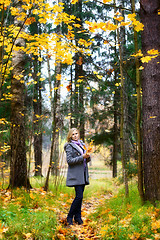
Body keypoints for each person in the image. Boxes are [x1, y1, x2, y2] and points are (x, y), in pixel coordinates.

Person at [64, 128, 91, 225]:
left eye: (76, 134)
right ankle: (69, 217)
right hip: (76, 175)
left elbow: (86, 159)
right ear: (70, 136)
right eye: (73, 134)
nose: (75, 135)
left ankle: (78, 217)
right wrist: (82, 157)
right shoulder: (69, 146)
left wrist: (87, 156)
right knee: (79, 196)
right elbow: (70, 161)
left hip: (83, 174)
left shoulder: (82, 144)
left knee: (80, 196)